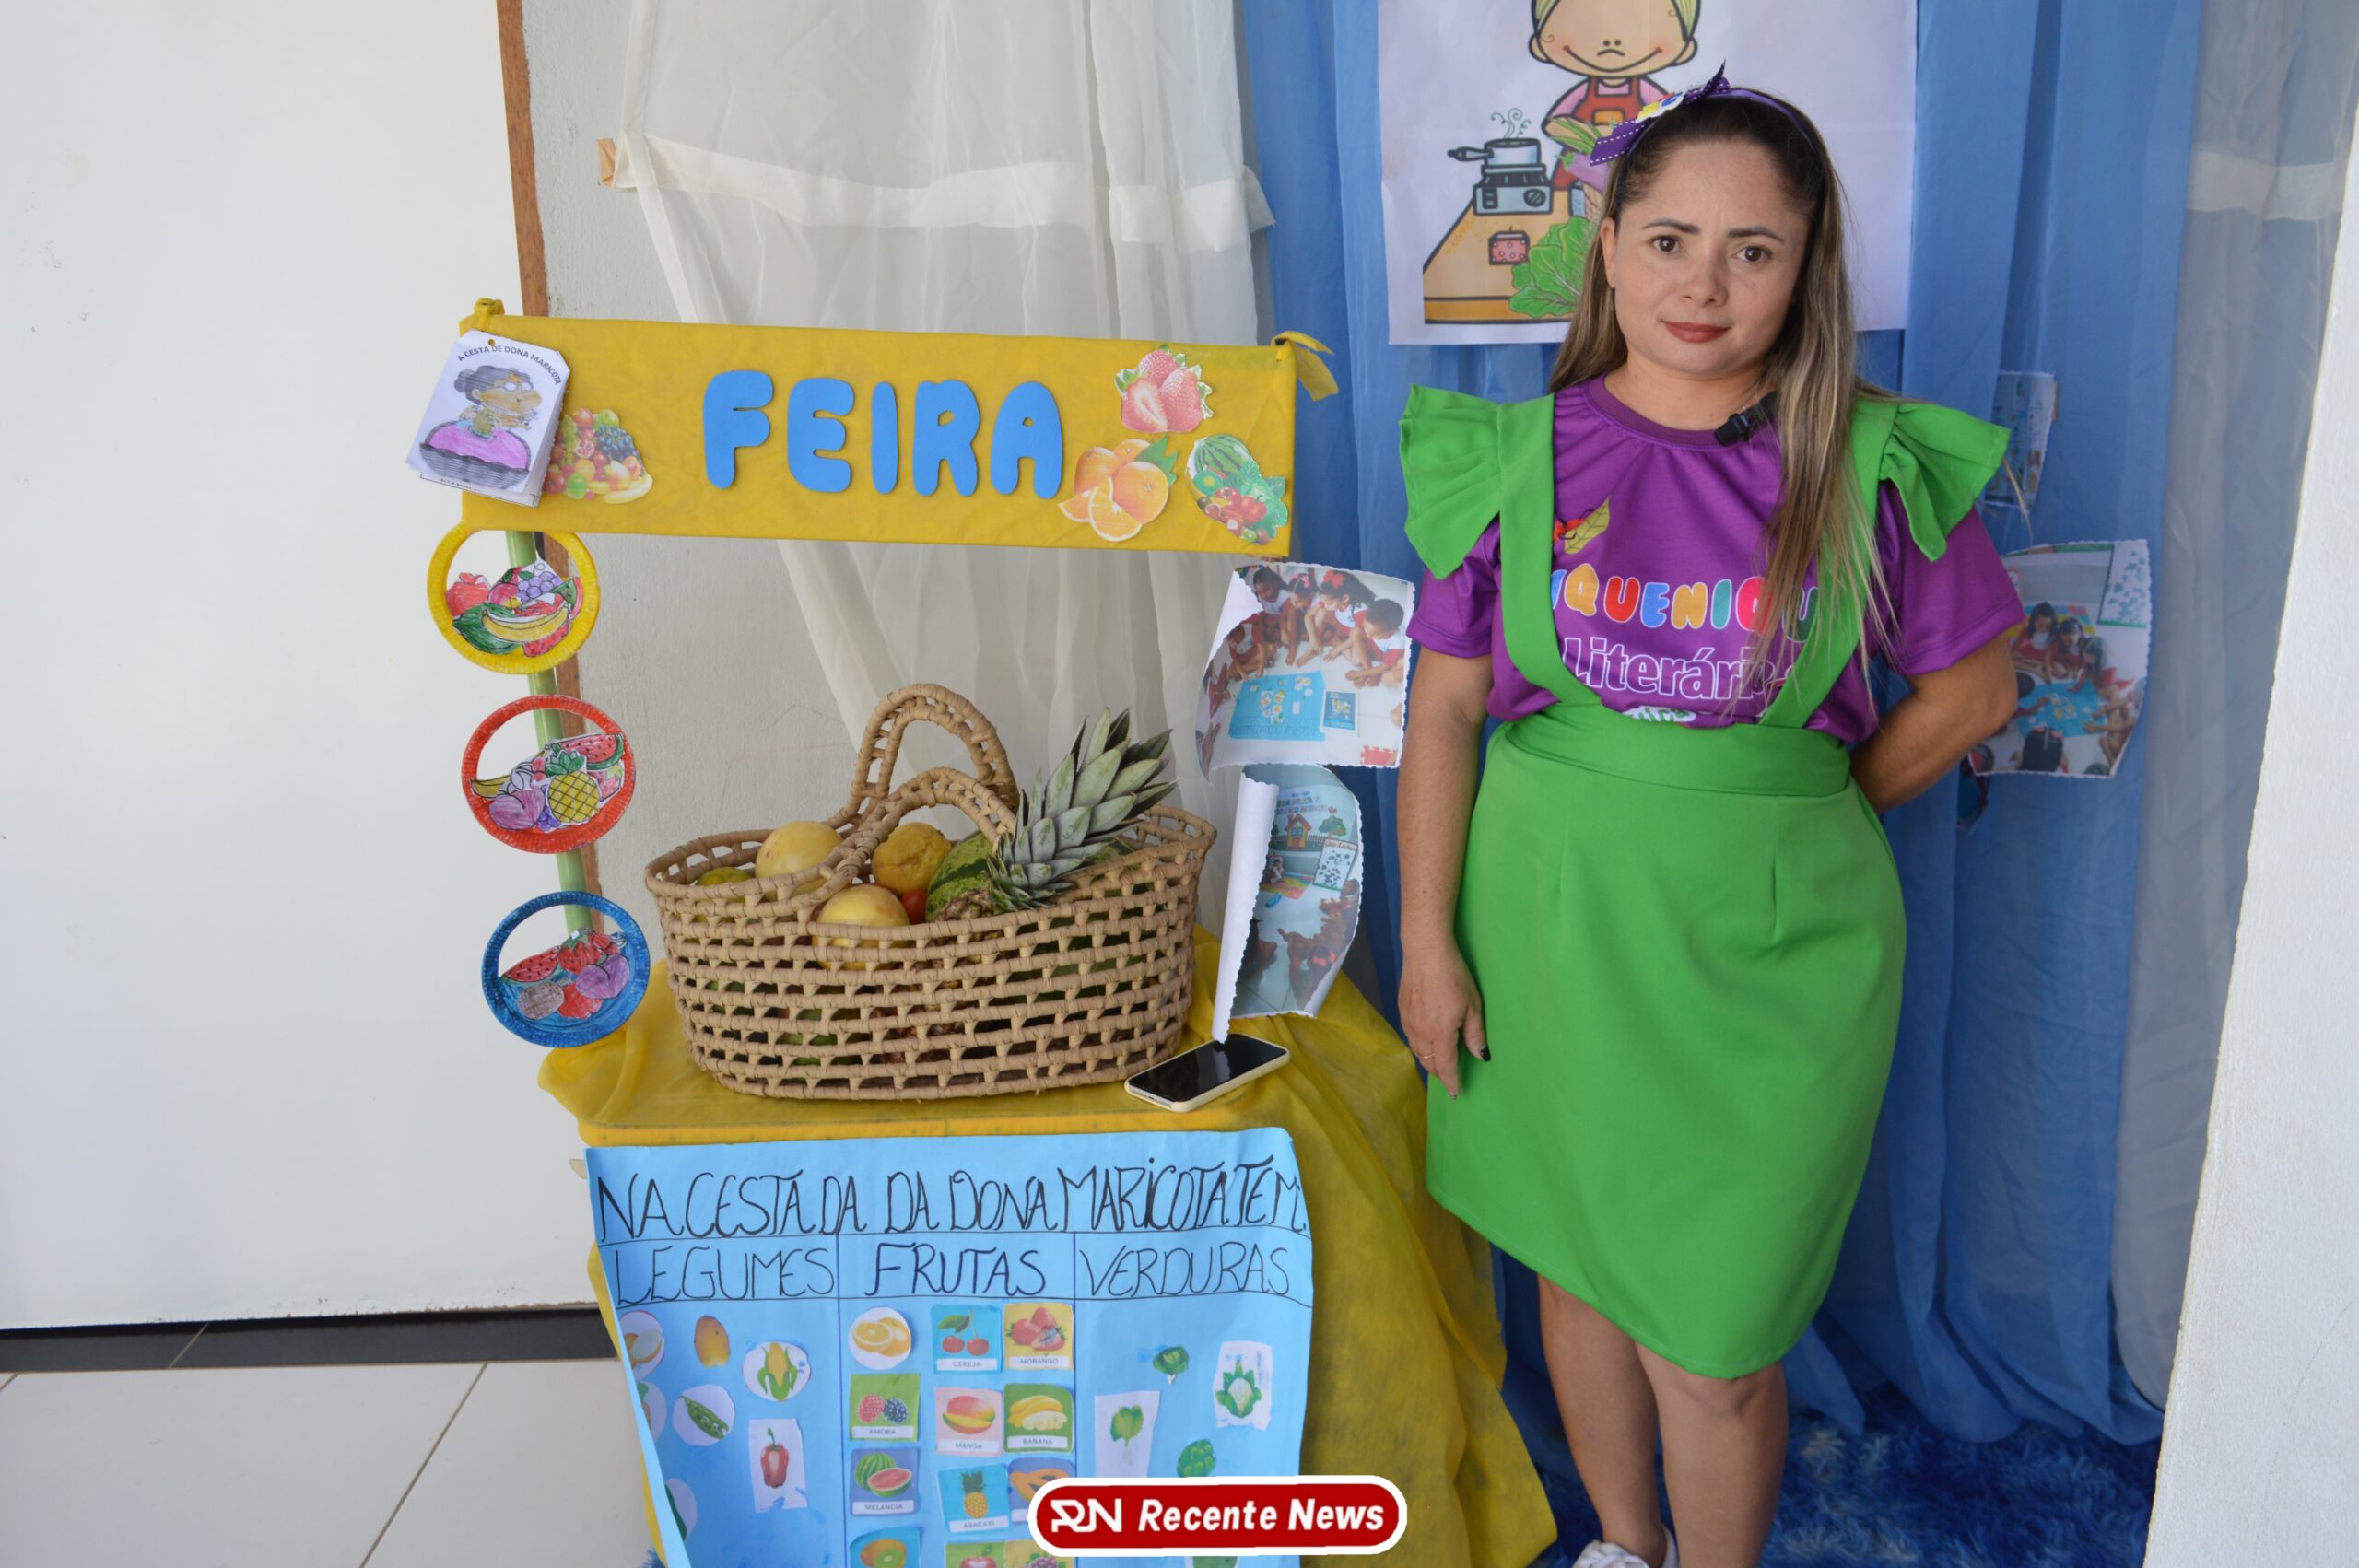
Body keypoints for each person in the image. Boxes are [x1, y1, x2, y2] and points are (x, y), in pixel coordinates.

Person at [1394, 73, 2023, 1568]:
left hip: (1768, 958)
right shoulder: (1514, 461)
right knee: (1577, 1267)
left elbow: (1979, 688)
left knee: (1719, 1342)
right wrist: (1426, 942)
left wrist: (1800, 806)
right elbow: (1444, 709)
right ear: (1608, 247)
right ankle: (1627, 1542)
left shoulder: (1866, 464)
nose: (1703, 283)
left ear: (1806, 270)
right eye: (1670, 239)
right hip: (1548, 929)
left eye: (1753, 249)